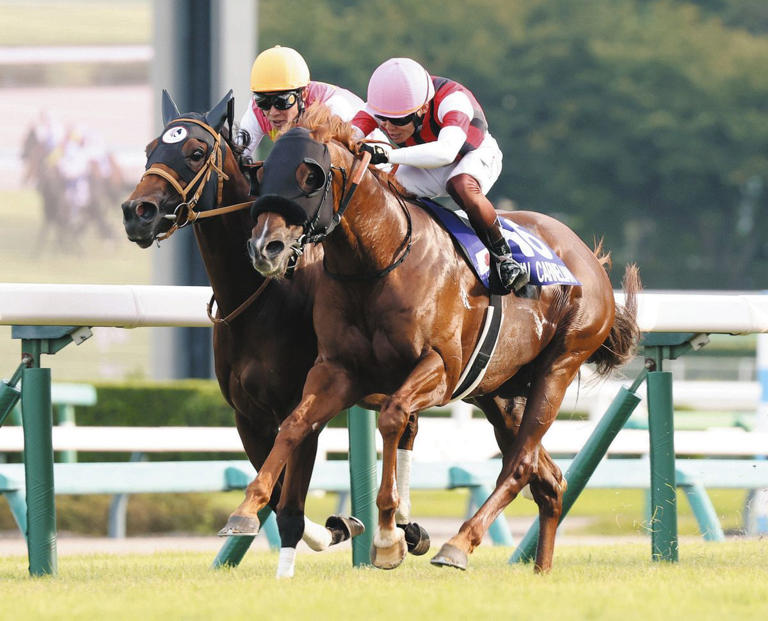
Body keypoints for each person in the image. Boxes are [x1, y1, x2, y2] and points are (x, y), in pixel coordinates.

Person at [351, 57, 529, 294]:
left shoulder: (453, 100)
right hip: (427, 161)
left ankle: (504, 257)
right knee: (385, 190)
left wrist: (388, 156)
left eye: (398, 120)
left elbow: (446, 152)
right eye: (382, 119)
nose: (388, 126)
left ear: (423, 108)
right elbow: (347, 134)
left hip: (470, 154)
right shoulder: (386, 105)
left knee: (461, 186)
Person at [240, 45, 382, 162]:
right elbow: (237, 158)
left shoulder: (334, 108)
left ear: (304, 94)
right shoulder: (256, 110)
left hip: (379, 169)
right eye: (263, 101)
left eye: (281, 101)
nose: (272, 112)